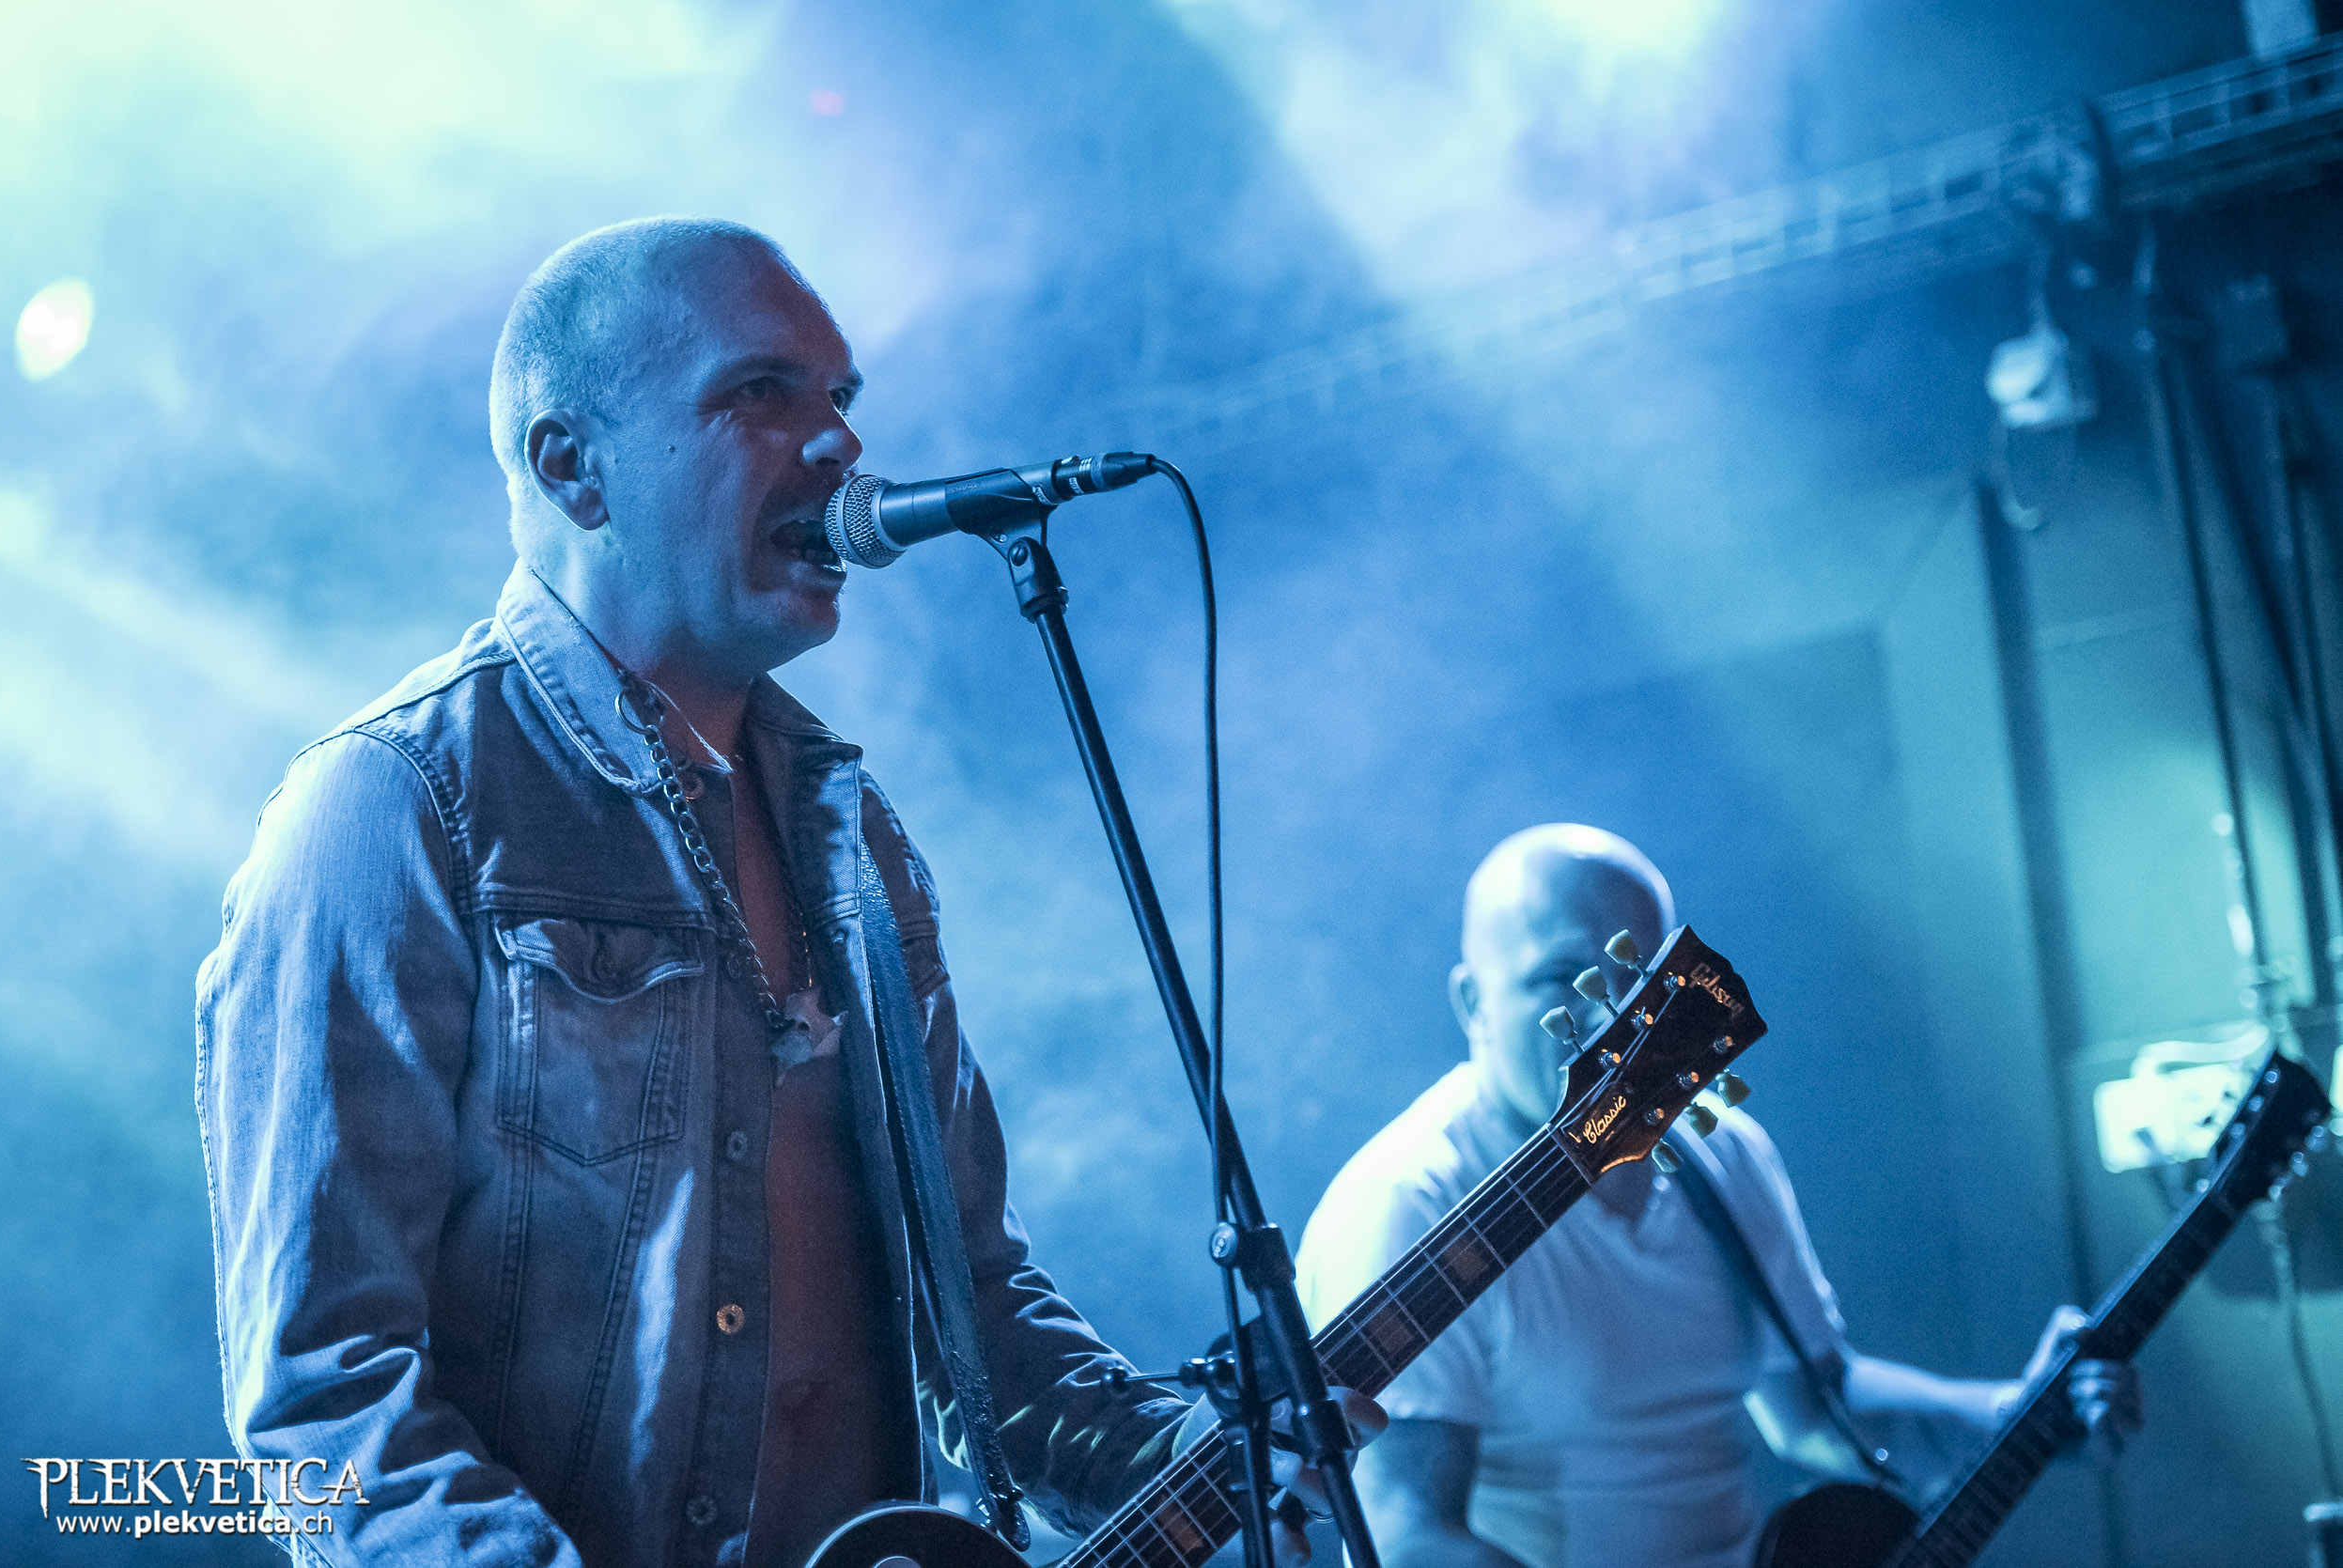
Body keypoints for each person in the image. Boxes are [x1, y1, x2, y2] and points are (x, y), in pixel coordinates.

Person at [197, 217, 1372, 1568]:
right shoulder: (395, 806)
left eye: (841, 396)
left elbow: (976, 1301)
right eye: (761, 391)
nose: (840, 443)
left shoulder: (851, 833)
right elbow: (325, 1398)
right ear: (574, 467)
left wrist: (1184, 1453)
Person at [1294, 824, 2138, 1568]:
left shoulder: (1720, 1153)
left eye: (1634, 976)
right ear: (1473, 1002)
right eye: (1560, 975)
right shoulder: (1410, 1198)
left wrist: (2019, 1413)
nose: (1608, 1014)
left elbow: (1817, 1409)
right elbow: (1407, 1540)